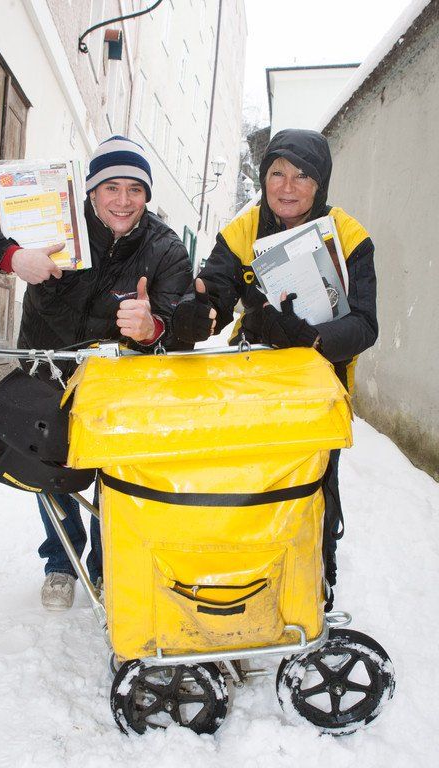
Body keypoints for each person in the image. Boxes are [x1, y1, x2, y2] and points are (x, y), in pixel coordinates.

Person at [0, 135, 192, 610]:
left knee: (113, 480)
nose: (123, 200)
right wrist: (12, 257)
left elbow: (180, 325)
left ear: (146, 195)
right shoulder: (52, 216)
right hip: (48, 373)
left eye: (135, 189)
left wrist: (152, 326)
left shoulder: (165, 249)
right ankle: (61, 559)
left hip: (117, 386)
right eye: (111, 187)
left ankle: (105, 567)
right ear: (91, 190)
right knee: (50, 470)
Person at [172, 128, 377, 609]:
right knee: (252, 488)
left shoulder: (350, 236)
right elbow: (212, 292)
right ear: (264, 178)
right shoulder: (243, 230)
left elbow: (366, 324)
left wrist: (313, 338)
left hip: (318, 389)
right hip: (254, 384)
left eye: (302, 176)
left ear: (320, 183)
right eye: (277, 173)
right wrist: (194, 314)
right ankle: (248, 587)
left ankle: (315, 585)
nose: (287, 187)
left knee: (312, 491)